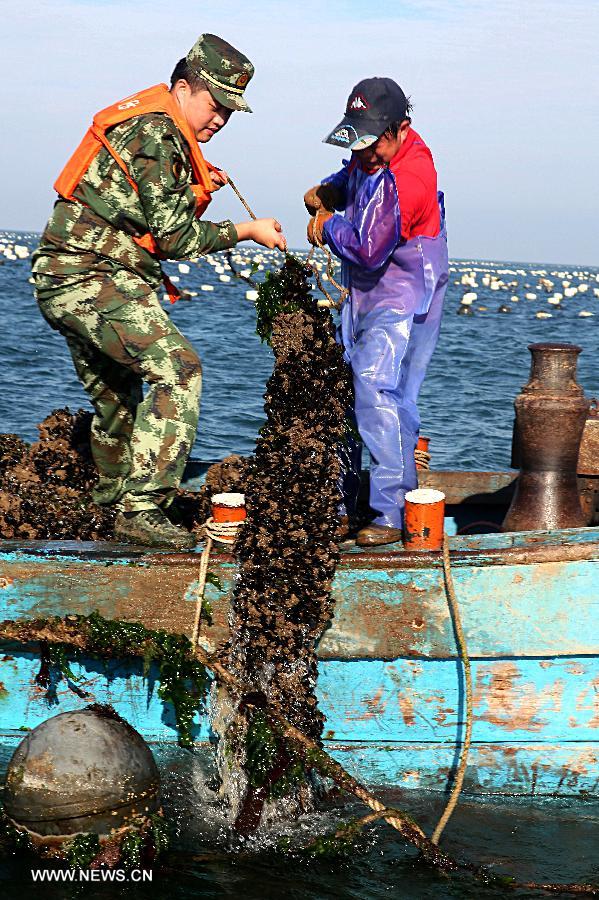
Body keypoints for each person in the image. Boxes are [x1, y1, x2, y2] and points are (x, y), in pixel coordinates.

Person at [32, 34, 286, 549]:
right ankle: (142, 507)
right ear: (183, 87)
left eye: (229, 113)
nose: (219, 120)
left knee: (117, 397)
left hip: (62, 276)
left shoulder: (155, 132)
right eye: (215, 106)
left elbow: (148, 213)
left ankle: (108, 502)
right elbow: (174, 240)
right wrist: (248, 230)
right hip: (88, 277)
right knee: (179, 369)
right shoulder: (157, 133)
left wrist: (194, 187)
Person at [304, 77, 448, 547]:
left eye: (372, 142)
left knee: (380, 389)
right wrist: (329, 190)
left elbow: (367, 248)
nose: (364, 152)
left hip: (406, 294)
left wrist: (327, 226)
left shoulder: (412, 178)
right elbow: (353, 174)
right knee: (350, 388)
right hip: (365, 292)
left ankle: (389, 512)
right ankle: (346, 505)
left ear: (400, 128)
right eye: (357, 141)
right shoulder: (372, 152)